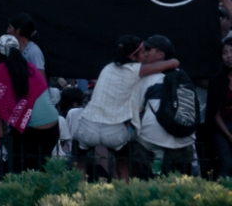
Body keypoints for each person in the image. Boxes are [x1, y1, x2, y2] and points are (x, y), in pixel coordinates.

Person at [73, 34, 179, 180]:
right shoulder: (136, 70)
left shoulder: (107, 68)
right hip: (114, 132)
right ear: (133, 57)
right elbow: (172, 64)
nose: (146, 54)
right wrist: (173, 59)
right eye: (143, 52)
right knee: (123, 159)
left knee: (79, 156)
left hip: (88, 126)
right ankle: (124, 191)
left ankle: (79, 191)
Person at [0, 35, 59, 172]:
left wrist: (0, 130)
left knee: (15, 168)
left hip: (31, 128)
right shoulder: (31, 68)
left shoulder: (0, 70)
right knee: (41, 168)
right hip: (53, 126)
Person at [131, 35, 196, 177]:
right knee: (181, 185)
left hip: (151, 141)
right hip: (185, 138)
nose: (144, 52)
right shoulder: (182, 75)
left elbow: (135, 109)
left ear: (160, 55)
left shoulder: (145, 77)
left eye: (147, 49)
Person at [206, 35, 232, 177]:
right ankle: (220, 195)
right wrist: (229, 135)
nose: (229, 56)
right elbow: (214, 112)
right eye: (225, 53)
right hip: (223, 126)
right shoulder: (217, 80)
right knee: (226, 163)